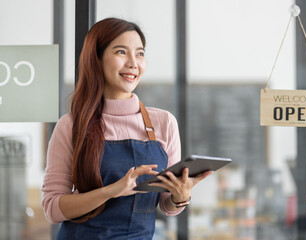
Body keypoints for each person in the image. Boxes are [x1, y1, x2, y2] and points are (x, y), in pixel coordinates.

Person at [41, 17, 212, 239]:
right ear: (97, 59)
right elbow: (52, 208)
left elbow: (165, 205)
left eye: (140, 53)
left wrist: (180, 196)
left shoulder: (164, 122)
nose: (133, 63)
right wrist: (111, 191)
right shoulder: (72, 124)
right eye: (121, 52)